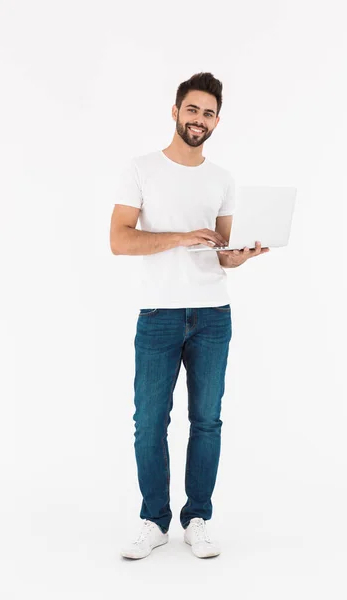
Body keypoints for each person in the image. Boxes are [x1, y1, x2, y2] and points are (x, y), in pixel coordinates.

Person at [110, 72, 269, 559]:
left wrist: (236, 257)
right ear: (176, 111)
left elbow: (219, 250)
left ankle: (197, 516)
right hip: (158, 312)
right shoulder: (140, 169)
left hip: (212, 314)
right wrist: (179, 236)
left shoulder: (222, 179)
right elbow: (120, 240)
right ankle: (153, 519)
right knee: (149, 423)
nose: (199, 120)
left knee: (207, 421)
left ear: (217, 121)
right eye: (192, 110)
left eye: (208, 113)